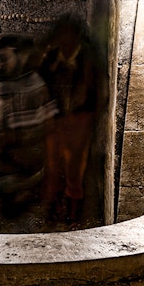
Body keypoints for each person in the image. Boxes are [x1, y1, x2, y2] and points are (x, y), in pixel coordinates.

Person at [38, 17, 98, 226]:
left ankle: (74, 216)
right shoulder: (52, 57)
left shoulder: (88, 59)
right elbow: (42, 80)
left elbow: (97, 91)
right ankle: (54, 210)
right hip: (56, 120)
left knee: (75, 169)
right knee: (53, 167)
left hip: (80, 121)